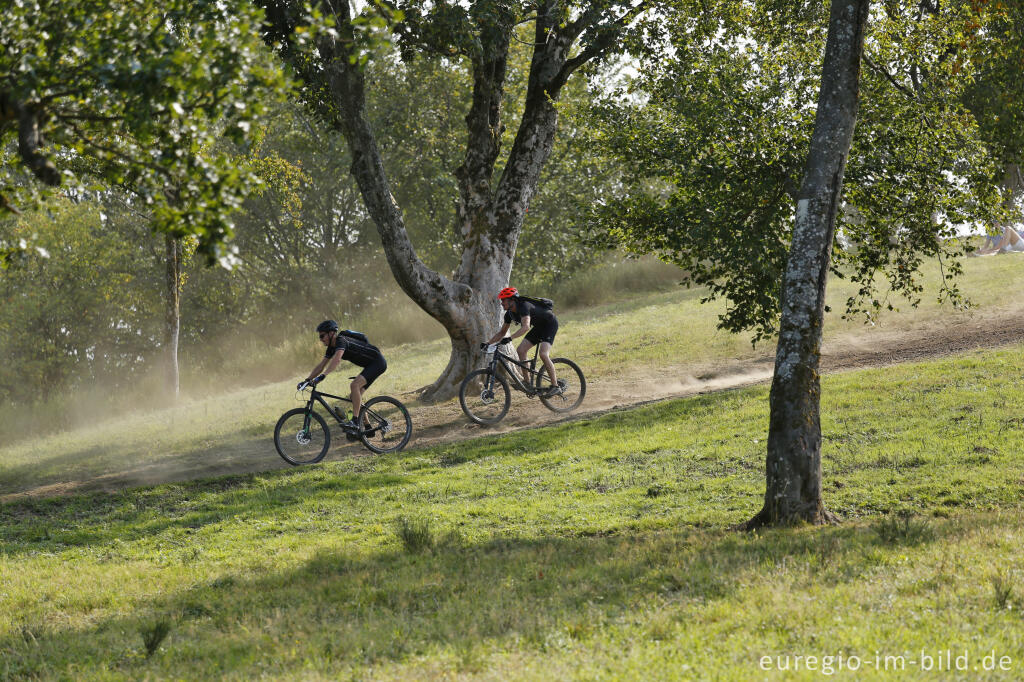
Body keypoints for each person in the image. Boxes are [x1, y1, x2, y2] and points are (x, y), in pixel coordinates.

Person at [299, 320, 387, 430]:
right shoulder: (331, 348)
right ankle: (368, 428)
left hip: (377, 362)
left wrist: (323, 375)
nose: (321, 340)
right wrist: (307, 380)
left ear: (331, 333)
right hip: (370, 365)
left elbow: (337, 360)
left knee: (354, 385)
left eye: (322, 336)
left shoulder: (341, 340)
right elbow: (321, 365)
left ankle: (355, 421)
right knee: (354, 396)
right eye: (320, 337)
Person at [485, 287, 561, 396]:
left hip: (550, 324)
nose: (501, 303)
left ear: (511, 300)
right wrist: (488, 343)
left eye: (503, 300)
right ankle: (527, 382)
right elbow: (501, 333)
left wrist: (510, 338)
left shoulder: (524, 306)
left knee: (543, 354)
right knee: (521, 350)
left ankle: (555, 386)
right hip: (539, 327)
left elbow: (525, 327)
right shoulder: (509, 314)